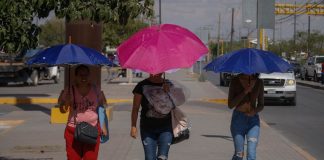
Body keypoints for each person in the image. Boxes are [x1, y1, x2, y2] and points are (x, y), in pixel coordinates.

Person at [58, 65, 108, 160]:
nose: (83, 77)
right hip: (73, 130)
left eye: (86, 75)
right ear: (76, 77)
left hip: (92, 130)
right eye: (81, 75)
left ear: (89, 76)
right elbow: (62, 110)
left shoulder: (96, 89)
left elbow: (101, 107)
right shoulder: (69, 90)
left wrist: (103, 126)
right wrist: (66, 102)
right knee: (73, 158)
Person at [130, 73, 173, 160]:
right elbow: (135, 108)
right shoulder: (141, 86)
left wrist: (170, 93)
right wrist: (133, 126)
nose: (157, 73)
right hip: (147, 129)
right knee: (150, 158)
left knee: (163, 157)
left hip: (166, 128)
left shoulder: (169, 84)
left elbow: (177, 103)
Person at [228, 74, 264, 160]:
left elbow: (261, 105)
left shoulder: (259, 82)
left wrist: (254, 111)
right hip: (238, 120)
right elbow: (230, 105)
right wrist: (245, 91)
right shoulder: (235, 81)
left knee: (251, 153)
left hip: (253, 122)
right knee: (239, 155)